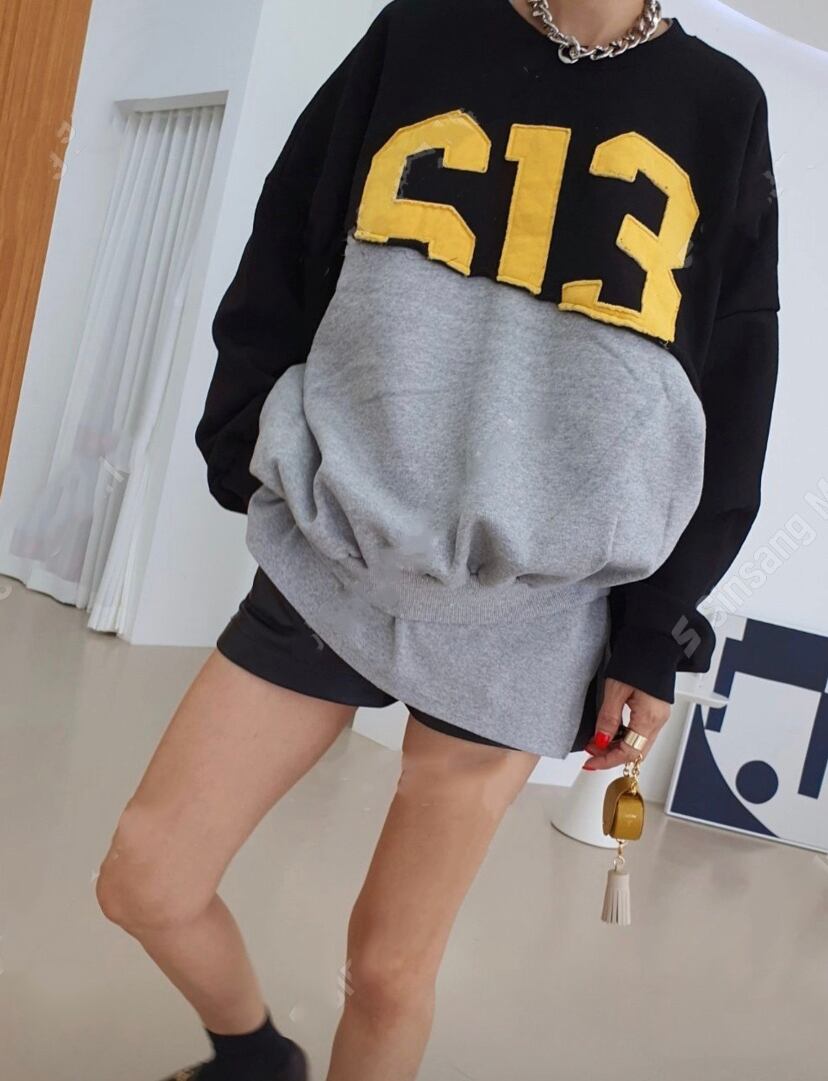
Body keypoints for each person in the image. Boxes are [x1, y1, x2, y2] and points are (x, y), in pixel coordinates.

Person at [96, 1, 780, 1079]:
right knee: (145, 876)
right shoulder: (423, 31)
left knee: (388, 970)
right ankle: (255, 1058)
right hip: (340, 533)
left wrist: (654, 634)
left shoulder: (721, 106)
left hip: (534, 603)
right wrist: (243, 436)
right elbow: (293, 227)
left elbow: (733, 387)